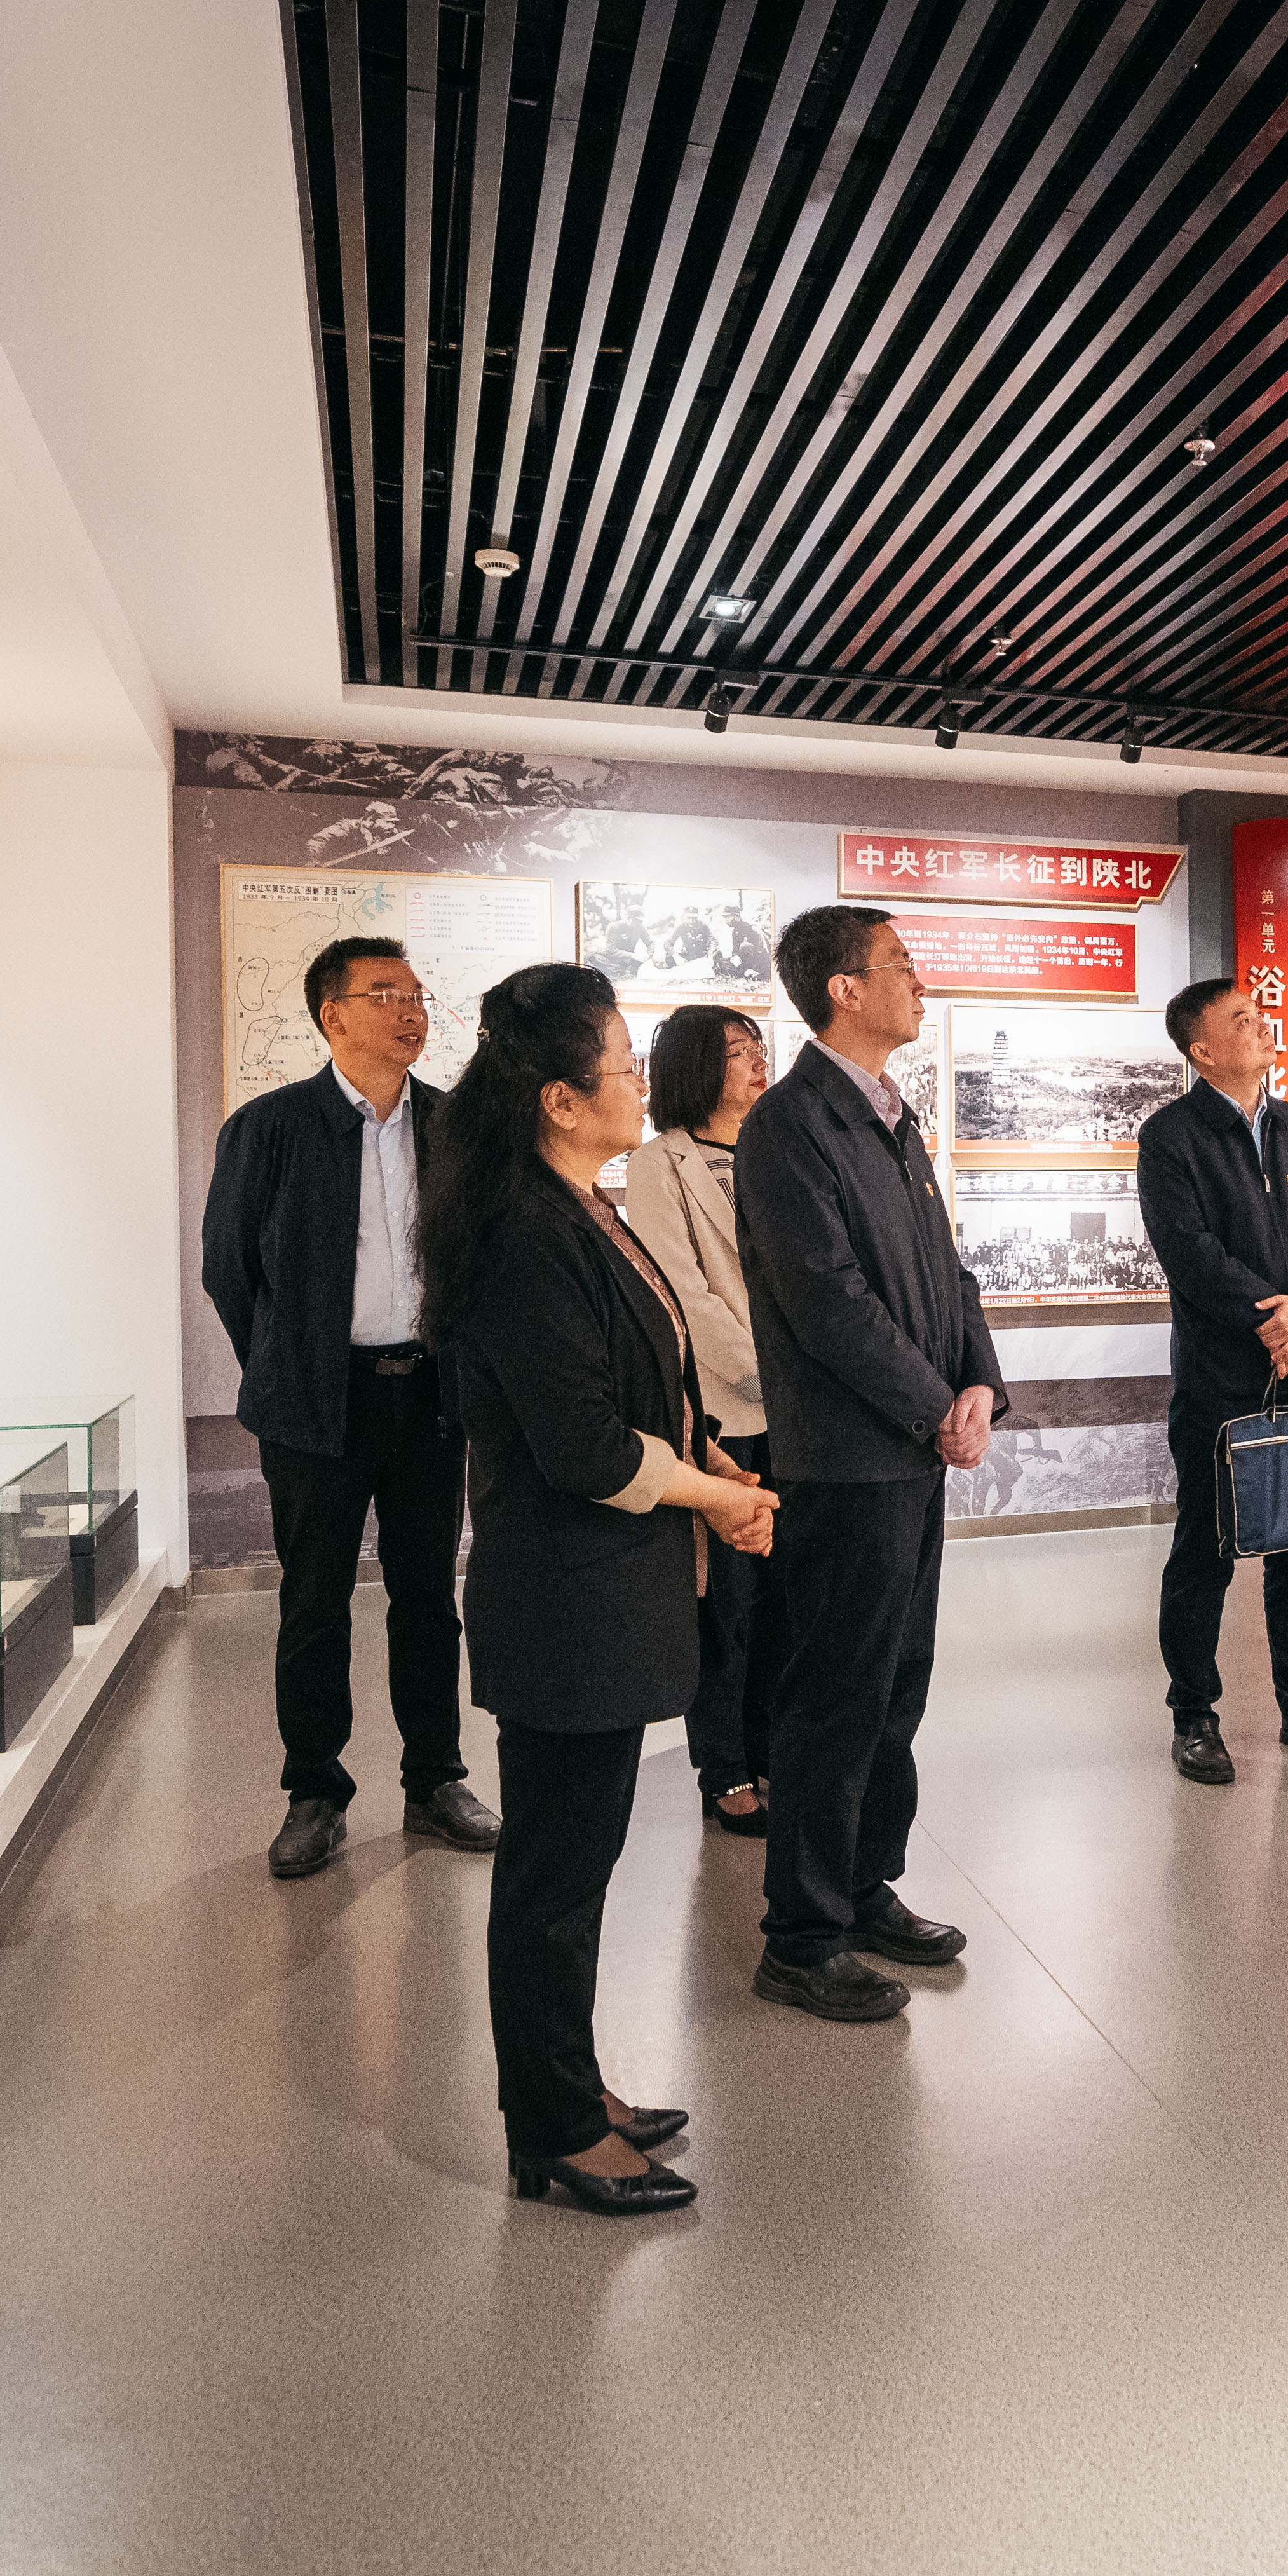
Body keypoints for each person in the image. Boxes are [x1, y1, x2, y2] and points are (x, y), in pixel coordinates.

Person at [418, 962, 778, 2216]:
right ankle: (554, 2129)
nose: (639, 1082)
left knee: (577, 1868)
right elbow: (582, 1448)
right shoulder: (527, 1234)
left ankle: (574, 2085)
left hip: (604, 1593)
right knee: (554, 1883)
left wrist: (709, 1452)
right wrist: (713, 1496)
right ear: (561, 1100)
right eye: (621, 1065)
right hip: (564, 1598)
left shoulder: (581, 1206)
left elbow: (643, 1385)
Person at [733, 904, 1007, 2022]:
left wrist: (979, 1382)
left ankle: (861, 1885)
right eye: (899, 962)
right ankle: (800, 1936)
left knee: (897, 1680)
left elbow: (949, 1272)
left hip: (911, 1450)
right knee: (834, 1694)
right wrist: (935, 1404)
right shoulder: (789, 1125)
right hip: (847, 1457)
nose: (917, 979)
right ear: (843, 988)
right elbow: (827, 1301)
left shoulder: (893, 1114)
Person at [198, 935, 495, 1879]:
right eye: (385, 993)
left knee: (427, 1598)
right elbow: (228, 1267)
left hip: (428, 1398)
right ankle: (315, 1791)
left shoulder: (451, 1126)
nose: (410, 1010)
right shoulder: (271, 1126)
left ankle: (436, 1779)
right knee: (314, 1603)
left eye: (417, 995)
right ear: (332, 1015)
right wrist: (285, 1363)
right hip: (316, 1404)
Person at [1132, 977, 1288, 1783]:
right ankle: (1194, 1715)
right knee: (1206, 1552)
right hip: (1221, 1376)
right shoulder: (1170, 1137)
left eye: (1258, 1015)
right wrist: (1270, 1320)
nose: (1262, 1026)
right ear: (1202, 1050)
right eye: (1241, 1019)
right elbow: (1189, 1252)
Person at [619, 1005, 778, 1836]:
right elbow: (683, 1293)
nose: (756, 1061)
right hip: (725, 1409)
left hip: (803, 1412)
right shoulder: (662, 1162)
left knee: (787, 1598)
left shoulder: (779, 1146)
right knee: (728, 1605)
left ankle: (772, 1749)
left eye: (758, 1047)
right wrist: (773, 1371)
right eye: (736, 1051)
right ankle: (725, 1766)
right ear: (692, 1066)